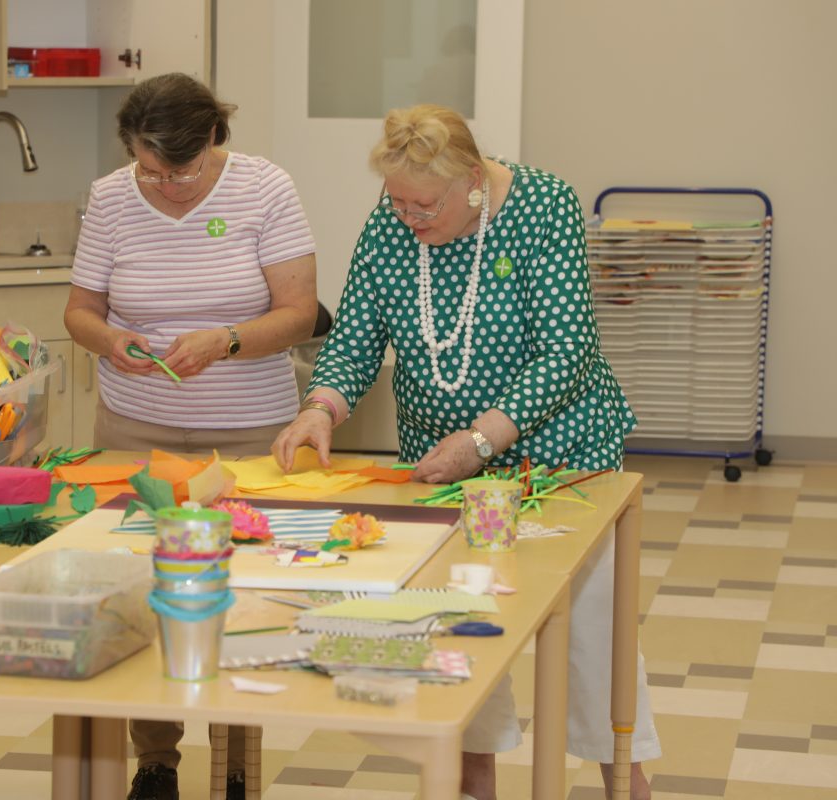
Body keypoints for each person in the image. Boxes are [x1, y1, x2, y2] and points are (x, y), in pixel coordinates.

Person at [272, 104, 660, 800]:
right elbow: (357, 333)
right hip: (444, 470)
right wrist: (320, 407)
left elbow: (568, 350)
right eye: (395, 200)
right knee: (460, 633)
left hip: (563, 456)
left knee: (591, 636)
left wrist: (484, 440)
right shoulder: (393, 226)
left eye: (423, 204)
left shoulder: (544, 206)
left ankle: (624, 785)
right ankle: (473, 786)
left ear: (473, 181)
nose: (408, 217)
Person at [64, 72, 318, 800]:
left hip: (247, 434)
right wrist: (108, 340)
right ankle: (154, 761)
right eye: (152, 169)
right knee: (142, 587)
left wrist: (227, 341)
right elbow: (79, 310)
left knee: (240, 594)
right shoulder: (111, 196)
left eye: (184, 169)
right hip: (135, 430)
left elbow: (299, 313)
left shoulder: (265, 188)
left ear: (215, 137)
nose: (168, 185)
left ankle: (236, 765)